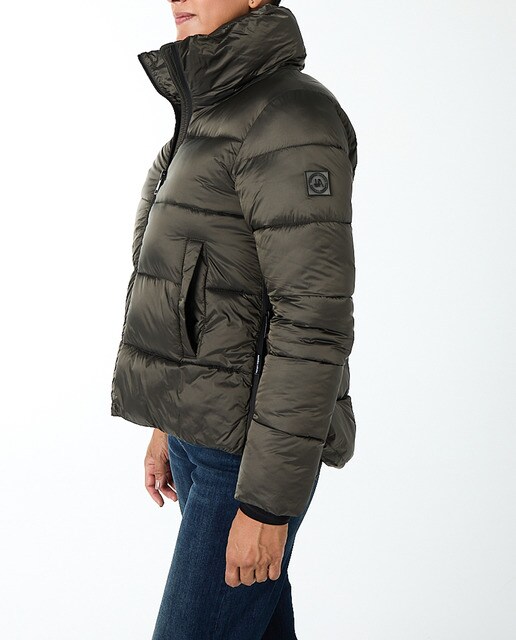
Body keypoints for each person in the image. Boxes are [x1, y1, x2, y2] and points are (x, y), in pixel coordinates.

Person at [110, 0, 358, 637]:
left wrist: (267, 507)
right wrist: (168, 421)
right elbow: (196, 285)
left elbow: (312, 318)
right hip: (201, 437)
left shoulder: (291, 116)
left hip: (247, 456)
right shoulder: (212, 109)